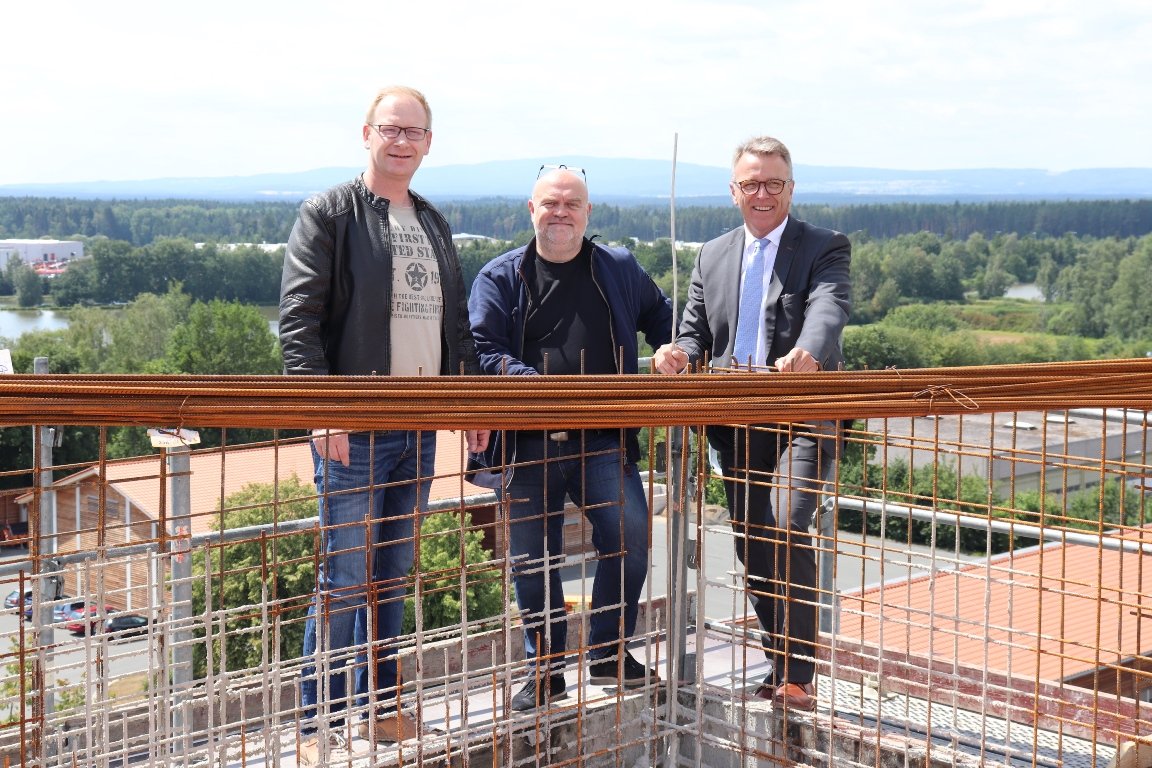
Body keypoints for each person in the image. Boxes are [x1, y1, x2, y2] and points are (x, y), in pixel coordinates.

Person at [279, 85, 488, 763]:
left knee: (392, 572)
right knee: (344, 576)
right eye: (390, 130)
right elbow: (299, 322)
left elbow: (454, 326)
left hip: (421, 427)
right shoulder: (329, 214)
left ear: (429, 143)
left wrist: (469, 405)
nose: (402, 142)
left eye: (414, 132)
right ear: (366, 133)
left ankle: (378, 708)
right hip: (355, 427)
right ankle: (317, 725)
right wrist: (321, 412)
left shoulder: (430, 219)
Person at [653, 136, 851, 712]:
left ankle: (799, 673)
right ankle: (779, 661)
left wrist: (811, 351)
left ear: (791, 189)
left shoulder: (824, 245)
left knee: (786, 524)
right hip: (735, 424)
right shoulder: (711, 254)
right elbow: (695, 331)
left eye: (774, 184)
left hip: (802, 417)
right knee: (753, 543)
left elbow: (829, 306)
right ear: (734, 190)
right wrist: (678, 354)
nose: (762, 194)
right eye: (751, 184)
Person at [468, 166, 673, 711]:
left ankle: (608, 656)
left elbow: (662, 315)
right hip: (527, 443)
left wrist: (675, 347)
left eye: (572, 204)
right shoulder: (499, 277)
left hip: (602, 437)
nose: (560, 212)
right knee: (533, 561)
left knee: (629, 535)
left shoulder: (619, 268)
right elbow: (481, 349)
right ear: (530, 210)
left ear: (588, 213)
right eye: (550, 203)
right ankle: (544, 671)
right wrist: (536, 387)